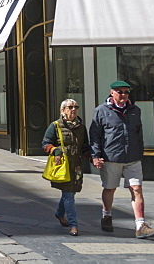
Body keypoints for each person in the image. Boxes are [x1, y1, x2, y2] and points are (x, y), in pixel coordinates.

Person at [89, 80, 154, 239]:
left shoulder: (135, 110)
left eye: (126, 92)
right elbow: (95, 135)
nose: (123, 95)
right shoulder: (101, 111)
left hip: (132, 158)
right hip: (111, 157)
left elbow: (138, 133)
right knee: (110, 188)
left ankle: (140, 225)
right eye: (120, 92)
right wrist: (95, 155)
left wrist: (139, 152)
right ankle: (106, 215)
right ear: (112, 93)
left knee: (136, 189)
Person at [43, 99, 91, 237]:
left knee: (69, 193)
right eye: (70, 107)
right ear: (63, 110)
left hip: (76, 166)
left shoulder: (81, 127)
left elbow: (84, 147)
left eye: (76, 107)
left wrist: (92, 158)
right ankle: (73, 224)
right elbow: (46, 143)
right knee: (68, 195)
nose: (74, 110)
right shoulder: (55, 126)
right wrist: (55, 150)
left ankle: (59, 213)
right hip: (63, 166)